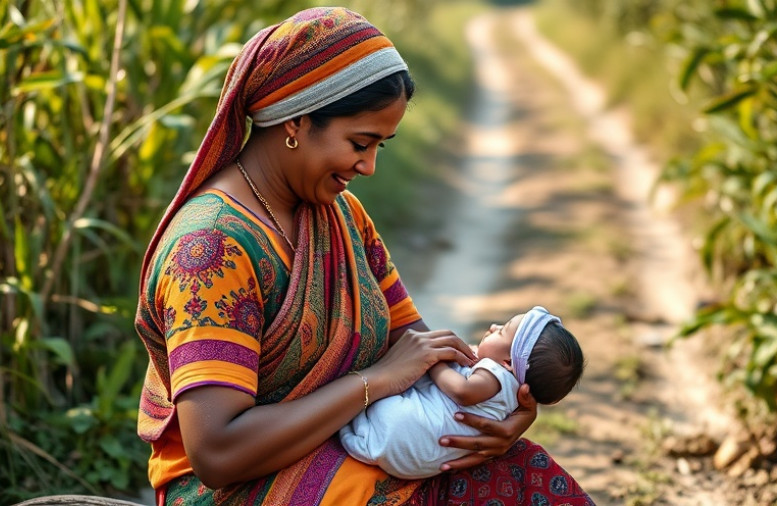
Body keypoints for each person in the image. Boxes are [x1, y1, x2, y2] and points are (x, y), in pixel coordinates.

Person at [134, 7, 594, 505]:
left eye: (380, 146)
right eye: (360, 142)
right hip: (246, 487)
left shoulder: (341, 217)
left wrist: (498, 406)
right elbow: (219, 454)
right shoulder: (210, 251)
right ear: (297, 120)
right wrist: (371, 383)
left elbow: (412, 340)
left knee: (523, 475)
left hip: (355, 440)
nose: (370, 166)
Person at [340, 306, 585, 479]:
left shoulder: (495, 375)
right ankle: (358, 433)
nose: (493, 326)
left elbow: (462, 391)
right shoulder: (510, 400)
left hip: (401, 430)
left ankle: (347, 418)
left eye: (501, 331)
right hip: (416, 462)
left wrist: (432, 361)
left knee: (390, 398)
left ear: (508, 363)